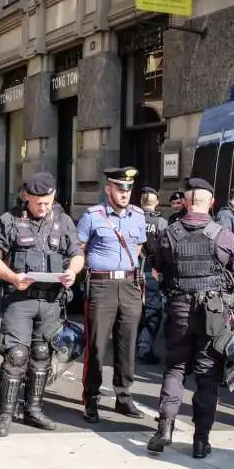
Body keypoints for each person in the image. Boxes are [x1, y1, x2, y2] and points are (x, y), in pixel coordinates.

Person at [146, 177, 234, 458]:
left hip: (178, 309)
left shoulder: (170, 233)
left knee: (175, 368)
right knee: (207, 373)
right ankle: (201, 441)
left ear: (187, 202)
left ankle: (164, 428)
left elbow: (158, 266)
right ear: (211, 202)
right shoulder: (222, 234)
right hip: (212, 314)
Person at [0, 172, 84, 437]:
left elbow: (77, 254)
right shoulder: (9, 220)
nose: (43, 208)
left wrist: (73, 272)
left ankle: (33, 409)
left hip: (51, 300)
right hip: (19, 299)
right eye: (38, 203)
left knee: (42, 355)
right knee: (16, 355)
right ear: (26, 196)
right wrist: (11, 277)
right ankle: (5, 413)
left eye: (48, 202)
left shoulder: (62, 221)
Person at [76, 167, 146, 423]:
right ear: (108, 189)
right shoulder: (92, 216)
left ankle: (123, 397)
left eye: (128, 189)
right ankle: (91, 397)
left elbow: (137, 247)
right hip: (101, 285)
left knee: (127, 343)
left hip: (129, 285)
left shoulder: (138, 216)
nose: (125, 193)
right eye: (119, 188)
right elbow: (79, 248)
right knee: (96, 345)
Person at [136, 186, 167, 365]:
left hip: (131, 270)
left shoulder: (131, 220)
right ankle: (144, 347)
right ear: (156, 203)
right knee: (153, 311)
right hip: (151, 271)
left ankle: (131, 344)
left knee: (132, 309)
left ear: (141, 202)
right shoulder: (161, 223)